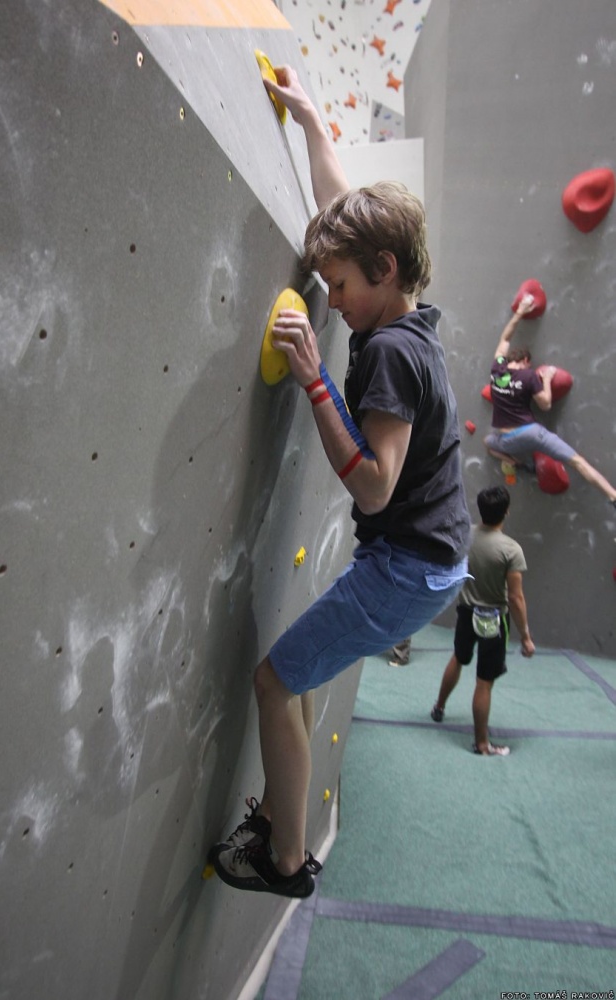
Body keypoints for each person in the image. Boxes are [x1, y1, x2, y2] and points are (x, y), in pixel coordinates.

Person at [209, 66, 471, 899]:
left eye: (342, 287)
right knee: (298, 676)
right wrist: (311, 121)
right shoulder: (403, 309)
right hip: (427, 561)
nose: (334, 299)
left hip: (406, 566)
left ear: (385, 269)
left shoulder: (388, 354)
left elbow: (375, 489)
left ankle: (284, 860)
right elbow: (339, 205)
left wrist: (316, 381)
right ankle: (283, 817)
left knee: (272, 681)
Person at [430, 485, 535, 756]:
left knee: (458, 658)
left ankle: (439, 707)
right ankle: (481, 744)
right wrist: (525, 636)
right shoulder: (511, 550)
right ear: (506, 512)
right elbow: (516, 598)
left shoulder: (465, 534)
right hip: (494, 620)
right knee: (484, 683)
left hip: (466, 612)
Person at [484, 295, 616, 507]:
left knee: (488, 444)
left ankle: (517, 463)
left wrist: (520, 312)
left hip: (508, 440)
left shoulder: (497, 370)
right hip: (532, 433)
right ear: (525, 361)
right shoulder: (529, 376)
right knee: (577, 462)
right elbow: (545, 404)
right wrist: (545, 379)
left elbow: (505, 339)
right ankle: (612, 495)